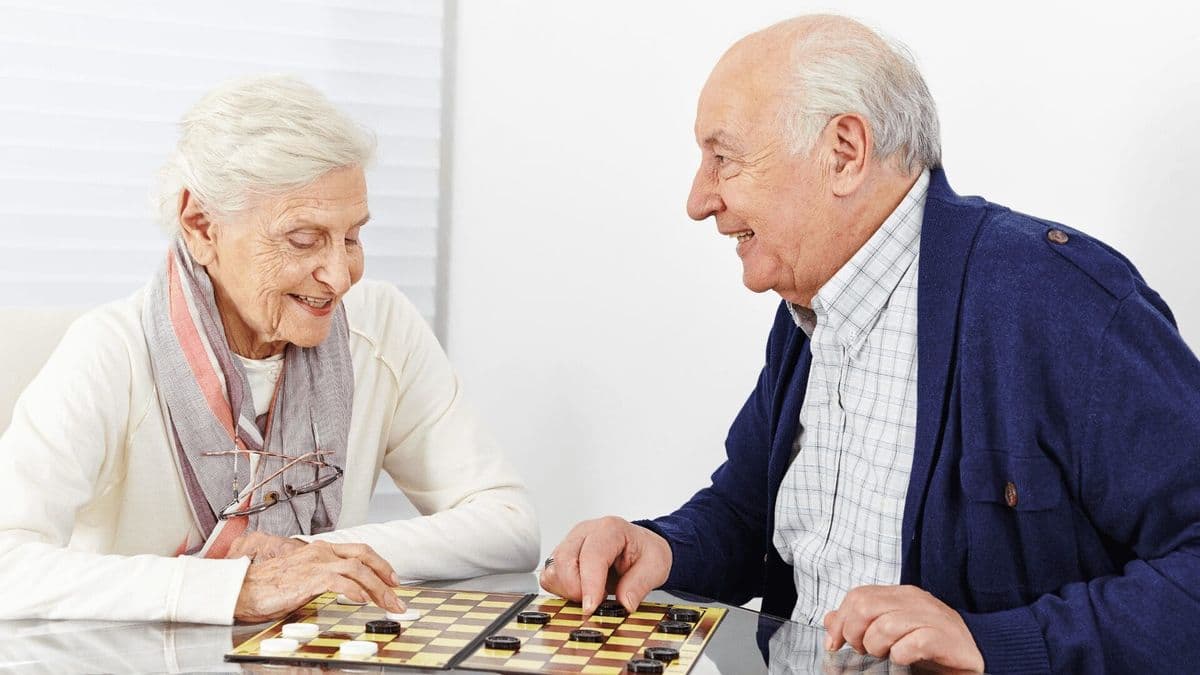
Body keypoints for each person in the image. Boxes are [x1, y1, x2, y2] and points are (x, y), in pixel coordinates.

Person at [540, 14, 1200, 674]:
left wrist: (992, 642)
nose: (698, 199)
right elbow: (750, 515)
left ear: (845, 151)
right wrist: (658, 545)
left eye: (724, 158)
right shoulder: (806, 311)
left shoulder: (1056, 301)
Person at [0, 75, 539, 624]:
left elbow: (509, 525)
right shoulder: (109, 351)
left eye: (352, 237)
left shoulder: (382, 326)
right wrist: (226, 587)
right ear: (202, 226)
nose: (339, 275)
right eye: (303, 240)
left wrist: (308, 559)